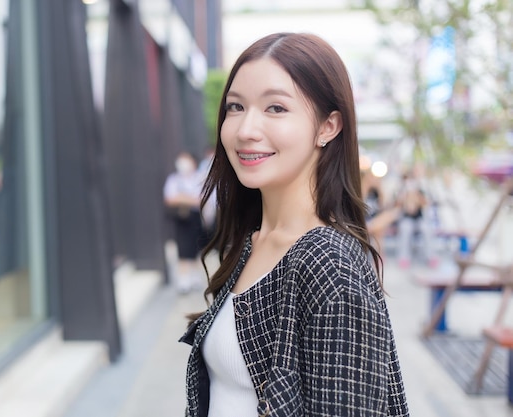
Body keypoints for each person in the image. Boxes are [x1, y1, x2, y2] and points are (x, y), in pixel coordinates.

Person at [179, 32, 409, 416]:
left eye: (275, 109)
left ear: (328, 127)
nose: (246, 129)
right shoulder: (251, 241)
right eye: (235, 107)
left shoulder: (329, 265)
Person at [163, 151, 205, 293]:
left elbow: (202, 199)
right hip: (181, 219)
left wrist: (182, 197)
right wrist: (188, 199)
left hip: (196, 218)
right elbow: (169, 199)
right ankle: (184, 278)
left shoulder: (199, 178)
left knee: (197, 247)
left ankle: (194, 276)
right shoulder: (174, 179)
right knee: (183, 248)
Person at [395, 169, 438, 269]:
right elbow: (397, 205)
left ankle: (430, 256)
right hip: (406, 219)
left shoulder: (420, 191)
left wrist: (417, 198)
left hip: (419, 219)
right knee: (405, 228)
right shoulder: (401, 191)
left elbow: (426, 204)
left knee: (426, 229)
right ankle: (404, 257)